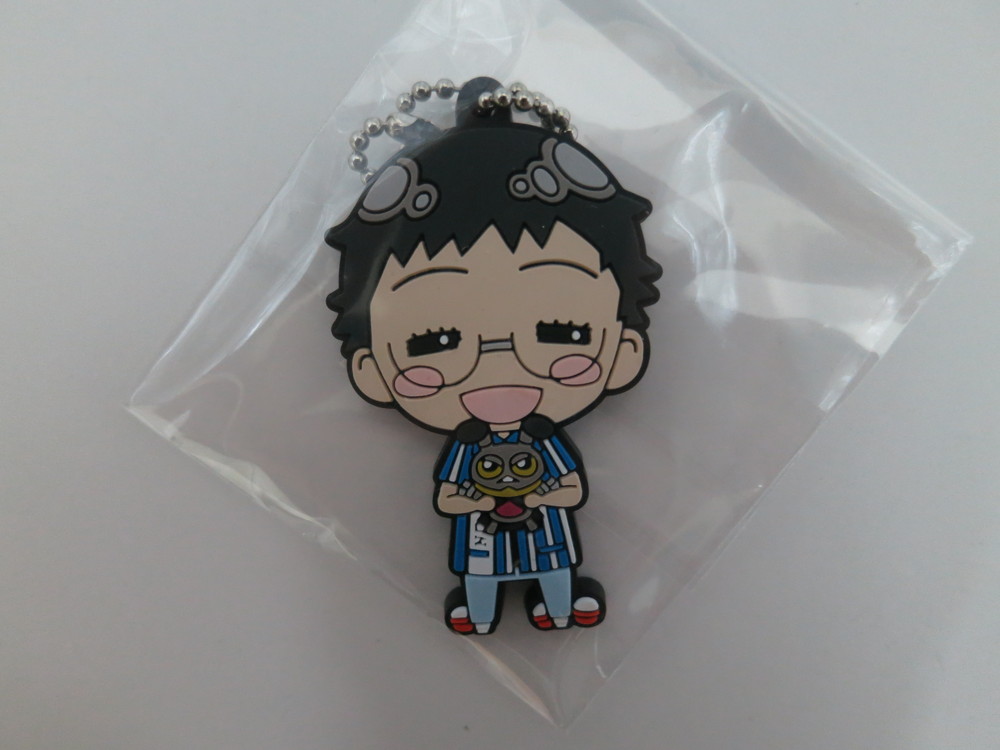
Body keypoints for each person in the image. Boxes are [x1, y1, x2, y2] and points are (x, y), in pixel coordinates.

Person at [326, 77, 661, 634]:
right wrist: (474, 499)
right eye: (433, 340)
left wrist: (543, 492)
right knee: (481, 577)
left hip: (546, 533)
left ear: (625, 350)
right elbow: (448, 498)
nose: (498, 365)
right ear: (371, 370)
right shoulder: (465, 446)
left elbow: (573, 487)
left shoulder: (546, 440)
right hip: (482, 538)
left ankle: (558, 606)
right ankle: (480, 612)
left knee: (555, 568)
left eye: (562, 331)